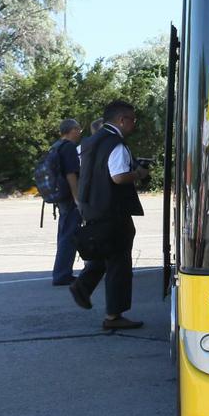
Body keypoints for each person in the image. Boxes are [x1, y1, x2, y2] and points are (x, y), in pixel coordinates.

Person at [70, 101, 147, 330]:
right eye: (132, 120)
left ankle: (82, 286)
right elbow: (119, 176)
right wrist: (139, 173)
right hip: (114, 210)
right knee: (119, 263)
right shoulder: (116, 144)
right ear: (122, 120)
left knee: (105, 250)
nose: (134, 124)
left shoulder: (89, 142)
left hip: (92, 206)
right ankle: (114, 315)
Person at [50, 119, 83, 286]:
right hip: (69, 197)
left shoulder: (56, 146)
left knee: (64, 233)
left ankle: (61, 272)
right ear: (73, 130)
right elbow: (71, 174)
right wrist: (77, 198)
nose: (80, 133)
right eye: (79, 130)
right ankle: (62, 274)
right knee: (69, 235)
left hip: (60, 196)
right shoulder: (69, 147)